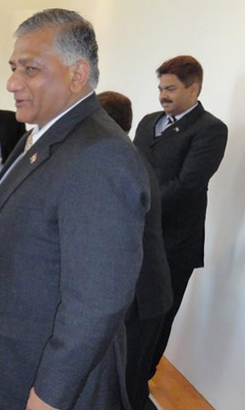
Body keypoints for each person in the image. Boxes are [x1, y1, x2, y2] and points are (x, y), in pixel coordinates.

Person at [0, 8, 149, 410]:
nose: (11, 83)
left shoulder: (101, 156)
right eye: (13, 68)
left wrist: (51, 394)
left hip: (43, 375)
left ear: (77, 75)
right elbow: (0, 220)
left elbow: (97, 302)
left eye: (30, 69)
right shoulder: (37, 136)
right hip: (11, 354)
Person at [133, 55, 228, 377]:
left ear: (193, 88)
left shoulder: (210, 129)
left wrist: (139, 204)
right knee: (129, 314)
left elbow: (187, 185)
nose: (163, 95)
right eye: (161, 88)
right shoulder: (148, 122)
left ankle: (140, 382)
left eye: (170, 89)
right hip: (136, 237)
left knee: (158, 318)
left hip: (173, 244)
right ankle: (116, 379)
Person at [99, 91, 173, 410]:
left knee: (125, 390)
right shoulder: (124, 156)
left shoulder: (122, 163)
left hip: (141, 297)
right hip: (140, 294)